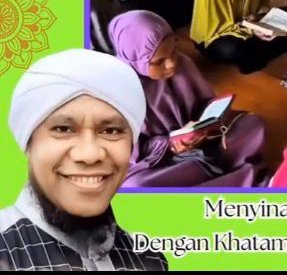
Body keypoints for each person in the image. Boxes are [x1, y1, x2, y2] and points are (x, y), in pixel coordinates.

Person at [1, 49, 167, 270]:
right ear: (28, 143)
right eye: (63, 129)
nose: (90, 155)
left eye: (111, 131)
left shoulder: (149, 259)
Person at [109, 11, 266, 187]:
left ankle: (203, 179)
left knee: (253, 124)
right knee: (136, 186)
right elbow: (133, 152)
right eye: (160, 61)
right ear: (135, 59)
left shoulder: (184, 64)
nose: (171, 64)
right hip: (161, 160)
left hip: (204, 142)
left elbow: (206, 103)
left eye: (174, 51)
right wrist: (171, 144)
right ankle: (235, 173)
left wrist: (207, 123)